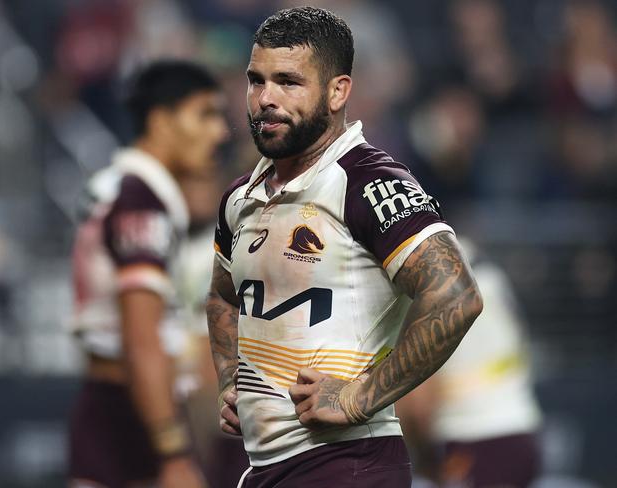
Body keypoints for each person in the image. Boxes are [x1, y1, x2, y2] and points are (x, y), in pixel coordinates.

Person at [206, 7, 483, 488]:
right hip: (265, 469)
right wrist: (233, 380)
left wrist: (358, 398)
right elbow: (222, 297)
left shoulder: (368, 181)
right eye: (256, 81)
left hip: (349, 465)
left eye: (289, 82)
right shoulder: (240, 198)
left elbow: (457, 296)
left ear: (337, 91)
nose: (265, 98)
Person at [68, 60, 228, 488]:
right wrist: (172, 450)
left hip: (114, 406)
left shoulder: (116, 185)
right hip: (135, 413)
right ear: (160, 121)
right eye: (205, 114)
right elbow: (141, 338)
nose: (220, 132)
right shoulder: (142, 201)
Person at [396, 238, 542, 488]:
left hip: (472, 441)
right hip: (521, 430)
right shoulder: (486, 270)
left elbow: (418, 402)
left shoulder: (422, 280)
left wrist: (423, 460)